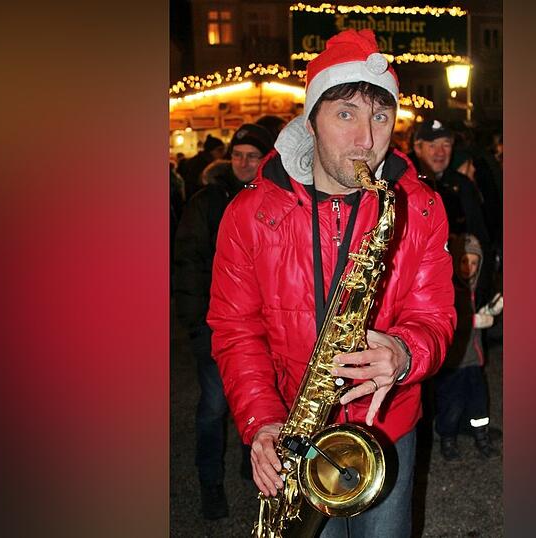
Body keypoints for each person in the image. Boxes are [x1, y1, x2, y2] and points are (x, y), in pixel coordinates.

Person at [208, 28, 455, 538]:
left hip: (386, 427)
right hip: (292, 431)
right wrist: (262, 422)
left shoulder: (421, 206)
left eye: (380, 117)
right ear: (312, 120)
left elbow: (436, 318)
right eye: (346, 114)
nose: (367, 138)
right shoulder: (248, 214)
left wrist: (406, 354)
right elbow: (235, 329)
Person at [173, 123, 275, 520]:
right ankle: (209, 482)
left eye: (253, 155)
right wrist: (198, 327)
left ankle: (252, 461)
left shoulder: (274, 198)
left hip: (264, 329)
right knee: (214, 408)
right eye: (238, 155)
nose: (244, 163)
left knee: (261, 400)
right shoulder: (208, 202)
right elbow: (188, 265)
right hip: (218, 328)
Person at [411, 119, 496, 309]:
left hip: (458, 291)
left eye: (446, 145)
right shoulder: (404, 184)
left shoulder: (463, 185)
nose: (440, 152)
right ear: (418, 149)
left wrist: (481, 292)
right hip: (416, 293)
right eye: (432, 145)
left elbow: (481, 236)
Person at [434, 233, 502, 461]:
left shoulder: (475, 288)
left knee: (478, 401)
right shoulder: (449, 289)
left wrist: (489, 311)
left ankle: (481, 435)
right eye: (464, 261)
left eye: (474, 263)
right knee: (450, 404)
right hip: (454, 363)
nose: (469, 267)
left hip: (473, 361)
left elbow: (480, 312)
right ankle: (448, 438)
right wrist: (474, 320)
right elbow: (447, 320)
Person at [180, 134, 226, 201]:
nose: (222, 153)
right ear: (211, 151)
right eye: (220, 150)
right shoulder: (200, 164)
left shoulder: (206, 161)